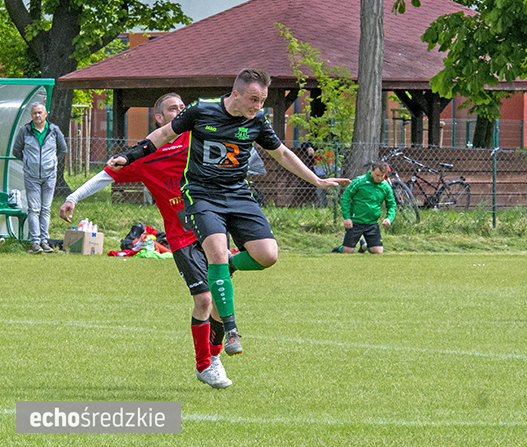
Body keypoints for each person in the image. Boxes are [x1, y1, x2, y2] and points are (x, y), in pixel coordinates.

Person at [107, 69, 349, 357]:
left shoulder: (257, 120)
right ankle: (231, 330)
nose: (258, 106)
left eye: (262, 101)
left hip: (237, 194)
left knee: (267, 255)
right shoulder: (201, 110)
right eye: (254, 99)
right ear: (235, 94)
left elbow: (282, 153)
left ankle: (228, 268)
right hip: (201, 194)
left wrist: (317, 180)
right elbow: (163, 133)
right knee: (217, 254)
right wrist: (130, 155)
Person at [61, 93, 231, 389]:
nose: (180, 111)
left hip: (214, 230)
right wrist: (73, 197)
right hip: (181, 238)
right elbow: (107, 174)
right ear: (160, 119)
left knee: (219, 300)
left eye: (182, 107)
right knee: (204, 299)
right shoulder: (146, 155)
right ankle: (205, 365)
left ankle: (214, 357)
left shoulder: (199, 138)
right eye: (172, 108)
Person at [12, 101, 67, 254]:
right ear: (31, 115)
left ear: (45, 114)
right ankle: (35, 242)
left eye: (40, 113)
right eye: (34, 113)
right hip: (32, 176)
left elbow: (63, 149)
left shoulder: (54, 130)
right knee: (34, 209)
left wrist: (51, 162)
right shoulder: (25, 131)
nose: (37, 115)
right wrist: (30, 163)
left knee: (45, 209)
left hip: (49, 175)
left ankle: (45, 241)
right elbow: (16, 151)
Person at [332, 161, 396, 254]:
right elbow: (345, 198)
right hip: (355, 222)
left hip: (372, 223)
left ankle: (365, 245)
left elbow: (391, 205)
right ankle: (339, 249)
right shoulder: (359, 181)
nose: (379, 178)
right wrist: (347, 217)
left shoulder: (385, 186)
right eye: (377, 175)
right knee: (347, 251)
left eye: (382, 176)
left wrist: (389, 218)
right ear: (371, 171)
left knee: (378, 252)